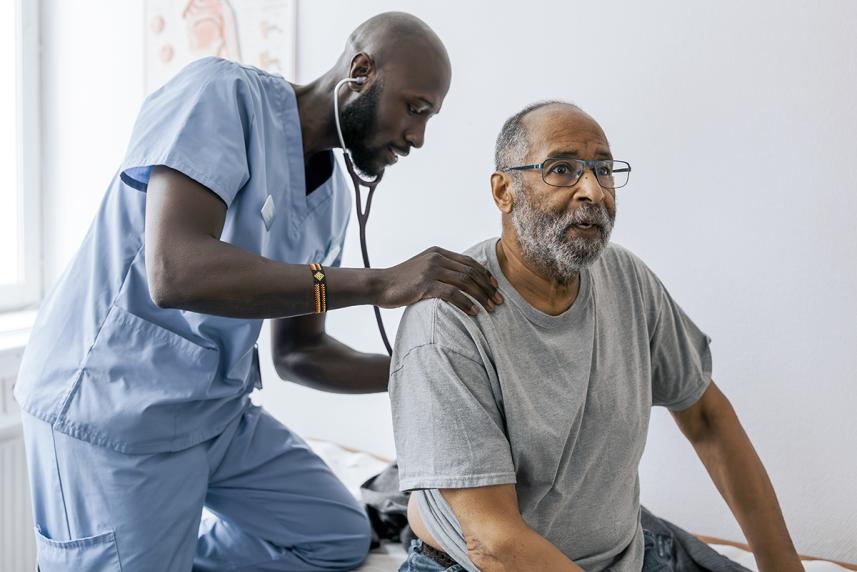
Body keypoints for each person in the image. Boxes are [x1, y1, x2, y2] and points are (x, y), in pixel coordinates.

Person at [14, 11, 505, 572]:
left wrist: (423, 373)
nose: (418, 137)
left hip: (215, 416)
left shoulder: (333, 201)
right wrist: (379, 284)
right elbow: (175, 271)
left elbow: (299, 354)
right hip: (114, 408)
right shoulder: (221, 96)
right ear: (362, 70)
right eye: (415, 109)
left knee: (336, 538)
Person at [389, 101, 803, 572]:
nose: (593, 191)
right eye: (561, 169)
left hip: (623, 555)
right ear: (504, 191)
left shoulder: (626, 278)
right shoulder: (449, 317)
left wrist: (783, 566)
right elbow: (494, 544)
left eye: (603, 170)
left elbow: (706, 417)